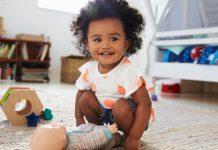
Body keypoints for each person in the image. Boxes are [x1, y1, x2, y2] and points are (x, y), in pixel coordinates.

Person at [71, 0, 154, 149]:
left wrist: (135, 137)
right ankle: (102, 133)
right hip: (106, 112)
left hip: (132, 116)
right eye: (97, 39)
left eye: (114, 38)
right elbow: (80, 94)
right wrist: (78, 118)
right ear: (87, 44)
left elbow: (145, 104)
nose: (105, 45)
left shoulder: (128, 70)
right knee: (85, 98)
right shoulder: (89, 69)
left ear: (126, 44)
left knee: (120, 107)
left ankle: (127, 136)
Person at [30, 123, 122, 150]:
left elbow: (75, 130)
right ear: (61, 137)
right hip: (110, 137)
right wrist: (108, 131)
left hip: (94, 129)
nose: (54, 124)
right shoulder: (77, 143)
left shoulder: (65, 138)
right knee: (120, 138)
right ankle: (122, 140)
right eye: (53, 126)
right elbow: (93, 140)